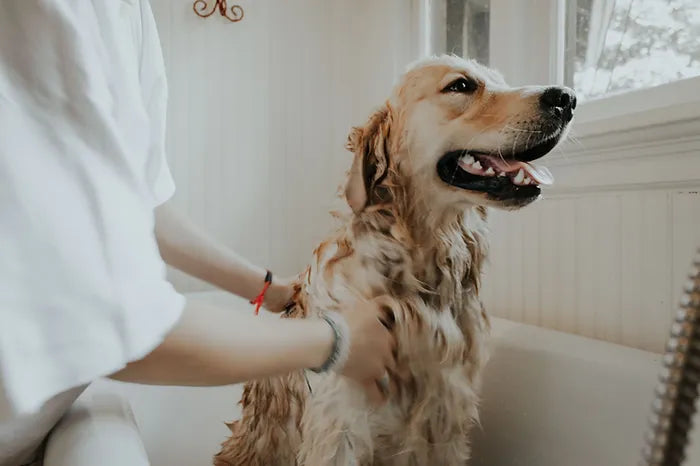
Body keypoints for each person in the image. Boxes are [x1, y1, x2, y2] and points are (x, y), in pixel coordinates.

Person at [0, 2, 396, 465]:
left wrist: (269, 289)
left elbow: (144, 209)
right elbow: (112, 323)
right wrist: (335, 343)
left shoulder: (130, 15)